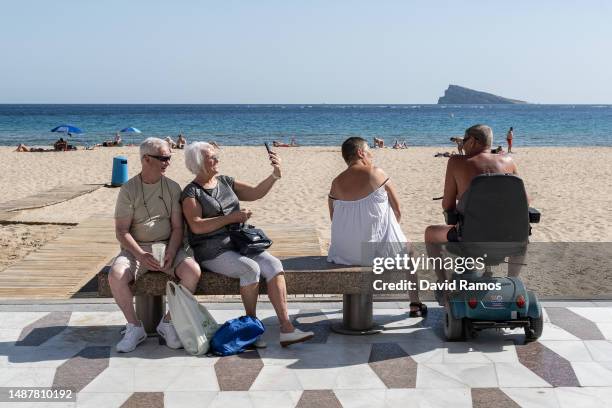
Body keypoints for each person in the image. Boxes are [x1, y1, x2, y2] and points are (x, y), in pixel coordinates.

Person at [181, 142, 314, 347]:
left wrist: (275, 175)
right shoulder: (191, 192)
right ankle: (251, 329)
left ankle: (286, 328)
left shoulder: (225, 181)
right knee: (250, 269)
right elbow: (196, 226)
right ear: (199, 163)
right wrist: (232, 218)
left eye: (216, 156)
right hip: (212, 251)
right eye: (211, 157)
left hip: (238, 243)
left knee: (274, 266)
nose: (217, 159)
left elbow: (255, 193)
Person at [108, 137, 202, 353]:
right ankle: (134, 326)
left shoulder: (172, 187)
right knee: (116, 274)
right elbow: (121, 232)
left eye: (169, 157)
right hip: (137, 249)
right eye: (163, 158)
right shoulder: (129, 189)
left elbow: (178, 228)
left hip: (168, 246)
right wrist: (141, 255)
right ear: (146, 159)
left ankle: (168, 323)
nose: (168, 162)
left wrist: (171, 250)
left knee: (192, 272)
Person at [327, 137, 425, 317]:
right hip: (372, 253)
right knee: (411, 252)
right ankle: (415, 303)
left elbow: (334, 218)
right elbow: (397, 211)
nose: (371, 154)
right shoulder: (376, 173)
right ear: (360, 153)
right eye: (369, 150)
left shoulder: (336, 182)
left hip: (342, 253)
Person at [425, 124, 524, 289]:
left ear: (473, 141)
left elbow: (447, 205)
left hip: (470, 239)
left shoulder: (456, 162)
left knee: (430, 234)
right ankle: (512, 282)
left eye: (464, 140)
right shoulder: (508, 161)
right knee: (522, 235)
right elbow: (525, 201)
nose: (462, 145)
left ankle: (443, 285)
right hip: (510, 238)